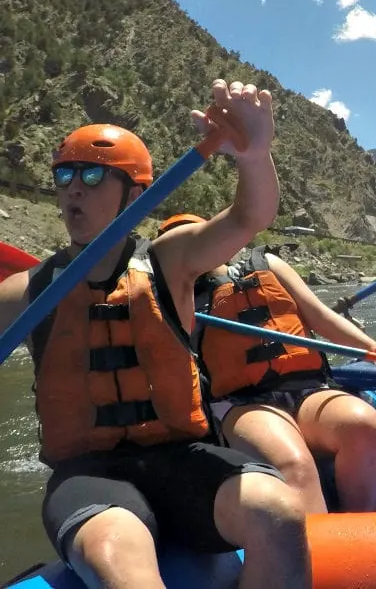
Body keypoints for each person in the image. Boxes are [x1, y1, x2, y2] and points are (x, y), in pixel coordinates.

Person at [0, 80, 311, 588]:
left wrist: (254, 156)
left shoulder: (171, 259)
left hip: (181, 459)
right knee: (117, 558)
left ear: (136, 195)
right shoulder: (24, 292)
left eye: (94, 173)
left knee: (278, 512)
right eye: (65, 174)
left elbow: (249, 217)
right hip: (89, 475)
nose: (74, 186)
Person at [157, 214, 376, 514]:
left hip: (308, 389)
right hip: (241, 404)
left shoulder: (269, 265)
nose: (191, 252)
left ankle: (357, 530)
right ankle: (322, 553)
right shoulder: (170, 297)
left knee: (361, 425)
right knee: (293, 463)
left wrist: (371, 348)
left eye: (197, 239)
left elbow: (321, 316)